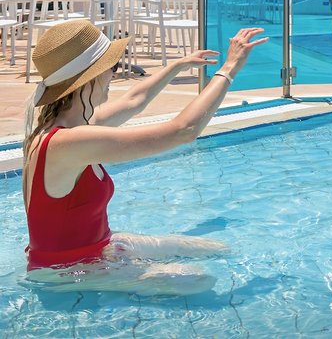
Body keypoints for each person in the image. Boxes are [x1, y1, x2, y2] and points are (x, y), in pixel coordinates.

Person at [22, 20, 266, 295]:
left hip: (99, 248)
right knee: (196, 279)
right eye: (112, 67)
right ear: (90, 77)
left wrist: (178, 65)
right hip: (65, 271)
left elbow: (133, 101)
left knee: (211, 248)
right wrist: (229, 68)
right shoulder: (68, 143)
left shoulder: (70, 126)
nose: (114, 75)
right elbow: (183, 131)